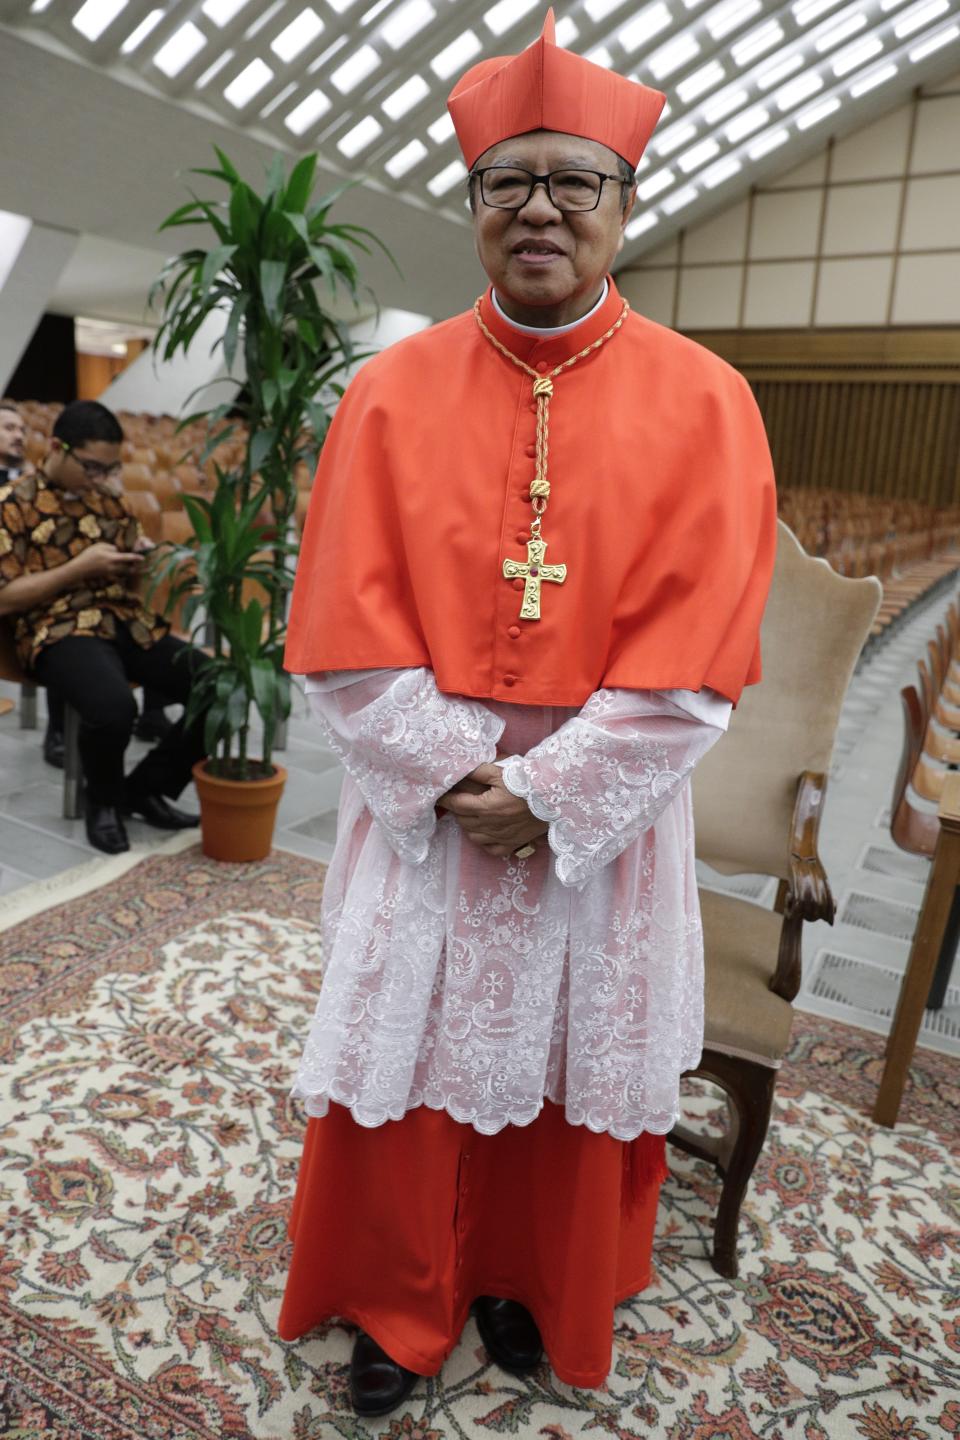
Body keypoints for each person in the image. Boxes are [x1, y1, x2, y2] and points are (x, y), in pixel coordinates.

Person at [279, 10, 778, 1418]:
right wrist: (454, 780)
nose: (542, 207)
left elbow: (700, 659)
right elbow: (338, 634)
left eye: (576, 180)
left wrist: (551, 793)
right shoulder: (385, 395)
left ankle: (521, 1286)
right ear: (475, 205)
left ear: (626, 203)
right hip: (426, 807)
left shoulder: (711, 402)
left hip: (600, 822)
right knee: (412, 1061)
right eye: (511, 181)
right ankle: (396, 1298)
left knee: (564, 1066)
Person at [0, 399, 207, 854]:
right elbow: (4, 596)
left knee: (217, 685)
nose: (100, 478)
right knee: (114, 707)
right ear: (57, 446)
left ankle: (144, 789)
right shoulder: (13, 505)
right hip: (55, 627)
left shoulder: (110, 498)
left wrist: (140, 559)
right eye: (92, 467)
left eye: (109, 468)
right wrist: (78, 568)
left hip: (122, 618)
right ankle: (104, 803)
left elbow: (129, 577)